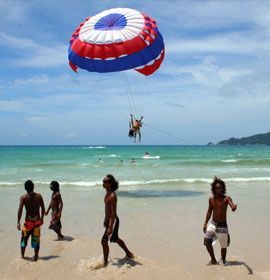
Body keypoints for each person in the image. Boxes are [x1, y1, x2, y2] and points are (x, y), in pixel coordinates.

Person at [203, 177, 237, 265]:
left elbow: (232, 206)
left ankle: (223, 260)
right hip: (213, 223)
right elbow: (209, 211)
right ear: (214, 189)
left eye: (221, 187)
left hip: (222, 225)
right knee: (207, 241)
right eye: (217, 188)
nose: (219, 189)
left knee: (223, 246)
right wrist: (205, 223)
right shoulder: (211, 199)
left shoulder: (227, 198)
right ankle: (213, 260)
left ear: (223, 188)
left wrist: (233, 208)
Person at [101, 174, 134, 267]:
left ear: (110, 183)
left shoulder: (112, 196)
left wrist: (110, 226)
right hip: (109, 220)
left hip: (113, 220)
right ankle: (128, 253)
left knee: (104, 241)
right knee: (115, 239)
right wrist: (105, 219)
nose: (103, 183)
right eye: (103, 181)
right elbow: (107, 210)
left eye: (105, 181)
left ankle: (105, 262)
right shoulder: (107, 193)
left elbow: (113, 213)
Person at [17, 180, 45, 261]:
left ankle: (22, 256)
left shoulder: (24, 197)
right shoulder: (39, 196)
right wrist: (42, 218)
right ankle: (36, 256)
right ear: (33, 187)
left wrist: (18, 222)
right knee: (36, 239)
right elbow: (43, 209)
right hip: (37, 222)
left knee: (24, 239)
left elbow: (20, 210)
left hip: (28, 223)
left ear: (25, 188)